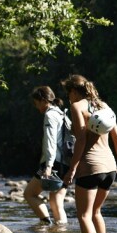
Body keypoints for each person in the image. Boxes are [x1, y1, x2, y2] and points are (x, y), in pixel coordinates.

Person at [61, 75, 117, 233]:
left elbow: (81, 140)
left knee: (84, 216)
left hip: (90, 167)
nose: (68, 98)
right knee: (96, 212)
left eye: (68, 94)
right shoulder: (104, 106)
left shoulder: (77, 107)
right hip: (110, 167)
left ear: (74, 91)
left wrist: (72, 168)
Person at [23, 86, 69, 225]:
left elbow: (50, 142)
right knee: (56, 203)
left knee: (29, 194)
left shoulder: (49, 115)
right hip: (66, 163)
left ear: (43, 100)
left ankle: (46, 223)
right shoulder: (62, 114)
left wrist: (48, 166)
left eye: (36, 103)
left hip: (53, 163)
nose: (37, 107)